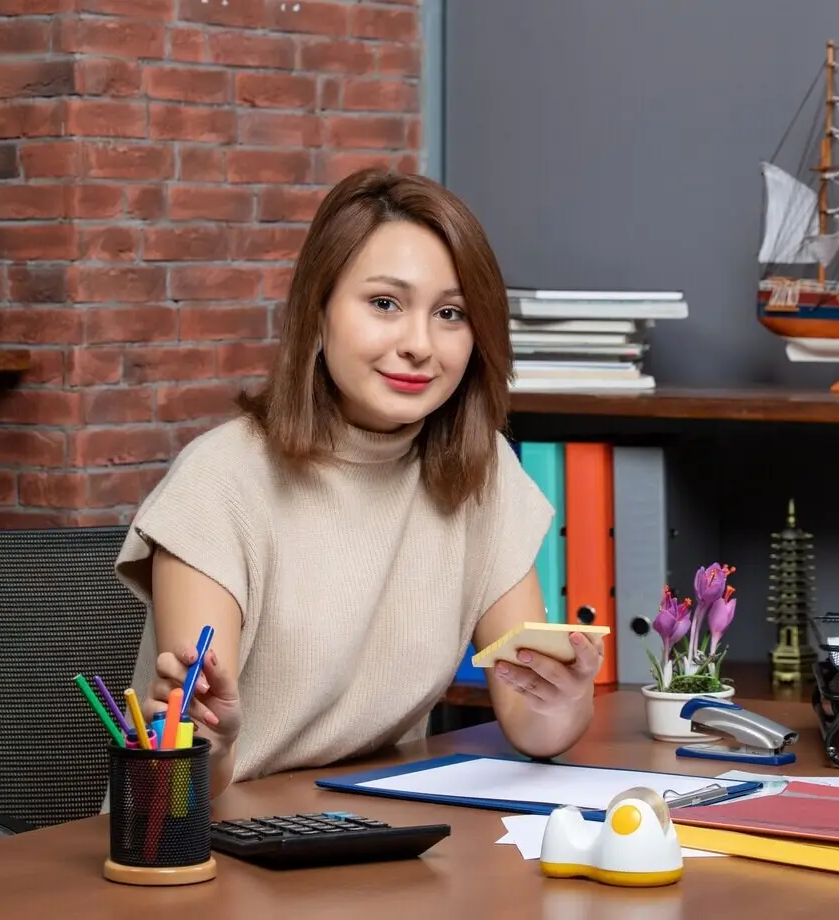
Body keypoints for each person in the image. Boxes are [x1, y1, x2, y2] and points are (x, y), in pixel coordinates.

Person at [113, 168, 603, 798]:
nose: (419, 345)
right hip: (211, 846)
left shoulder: (483, 472)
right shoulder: (220, 482)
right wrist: (217, 741)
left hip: (379, 834)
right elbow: (178, 783)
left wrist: (561, 702)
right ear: (317, 312)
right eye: (384, 304)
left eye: (451, 313)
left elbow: (529, 723)